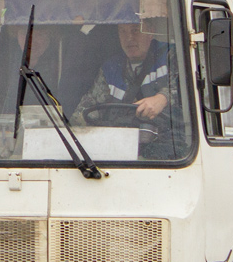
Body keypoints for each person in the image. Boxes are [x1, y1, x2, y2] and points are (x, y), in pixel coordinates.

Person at [73, 20, 185, 160]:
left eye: (135, 30)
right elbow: (85, 111)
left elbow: (193, 92)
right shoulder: (111, 69)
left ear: (150, 31)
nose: (129, 38)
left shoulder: (172, 55)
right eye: (122, 31)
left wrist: (162, 98)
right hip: (119, 152)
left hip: (169, 155)